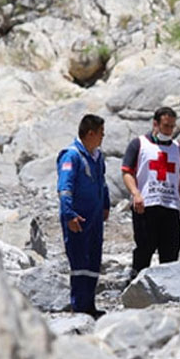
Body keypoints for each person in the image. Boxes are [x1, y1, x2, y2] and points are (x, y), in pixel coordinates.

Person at [122, 106, 180, 276]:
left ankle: (168, 289)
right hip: (146, 205)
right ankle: (136, 285)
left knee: (171, 249)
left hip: (170, 206)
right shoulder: (139, 144)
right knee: (144, 249)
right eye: (166, 126)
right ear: (155, 124)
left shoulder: (177, 149)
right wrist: (136, 194)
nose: (169, 130)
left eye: (172, 126)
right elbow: (127, 171)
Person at [57, 114, 111, 316]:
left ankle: (90, 305)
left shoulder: (97, 156)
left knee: (93, 261)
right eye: (101, 134)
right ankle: (79, 307)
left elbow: (102, 182)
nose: (102, 138)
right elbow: (65, 188)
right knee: (80, 262)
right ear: (90, 133)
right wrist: (69, 214)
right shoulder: (72, 156)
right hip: (78, 219)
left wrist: (105, 204)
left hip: (95, 218)